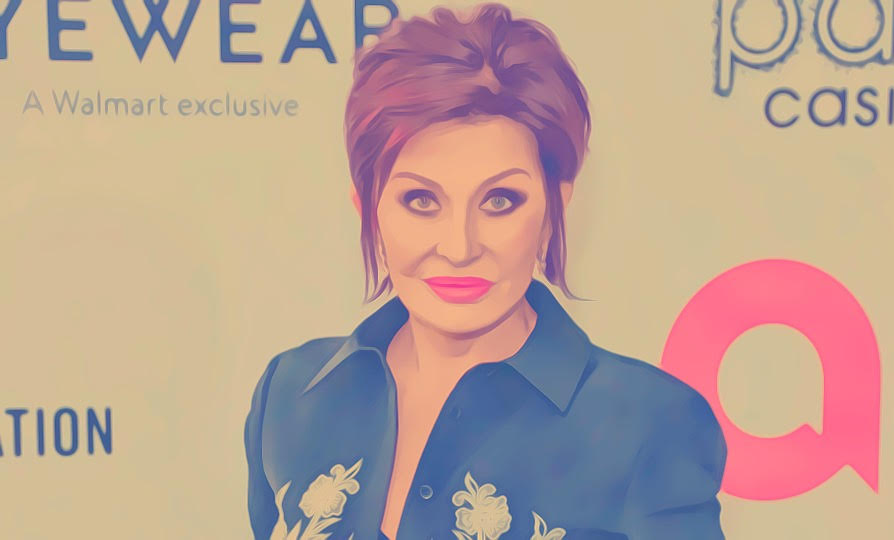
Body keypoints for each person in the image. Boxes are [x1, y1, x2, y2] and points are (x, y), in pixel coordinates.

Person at [244, 3, 726, 539]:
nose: (459, 247)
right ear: (368, 210)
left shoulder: (650, 424)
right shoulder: (290, 393)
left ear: (555, 209)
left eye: (499, 200)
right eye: (421, 200)